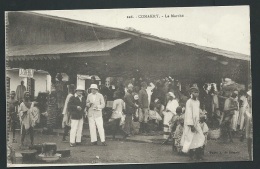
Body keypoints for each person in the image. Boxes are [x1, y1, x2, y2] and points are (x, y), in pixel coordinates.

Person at [181, 86, 205, 160]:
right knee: (190, 138)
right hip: (190, 123)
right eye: (194, 92)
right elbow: (188, 113)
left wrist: (200, 117)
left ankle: (198, 154)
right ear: (191, 93)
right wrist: (191, 125)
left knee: (200, 137)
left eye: (197, 92)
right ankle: (191, 155)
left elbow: (197, 112)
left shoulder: (198, 102)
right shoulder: (189, 102)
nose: (196, 94)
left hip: (196, 122)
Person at [244, 90, 252, 160]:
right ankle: (250, 156)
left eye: (250, 100)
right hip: (248, 127)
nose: (249, 102)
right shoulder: (247, 108)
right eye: (248, 100)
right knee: (248, 140)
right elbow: (245, 119)